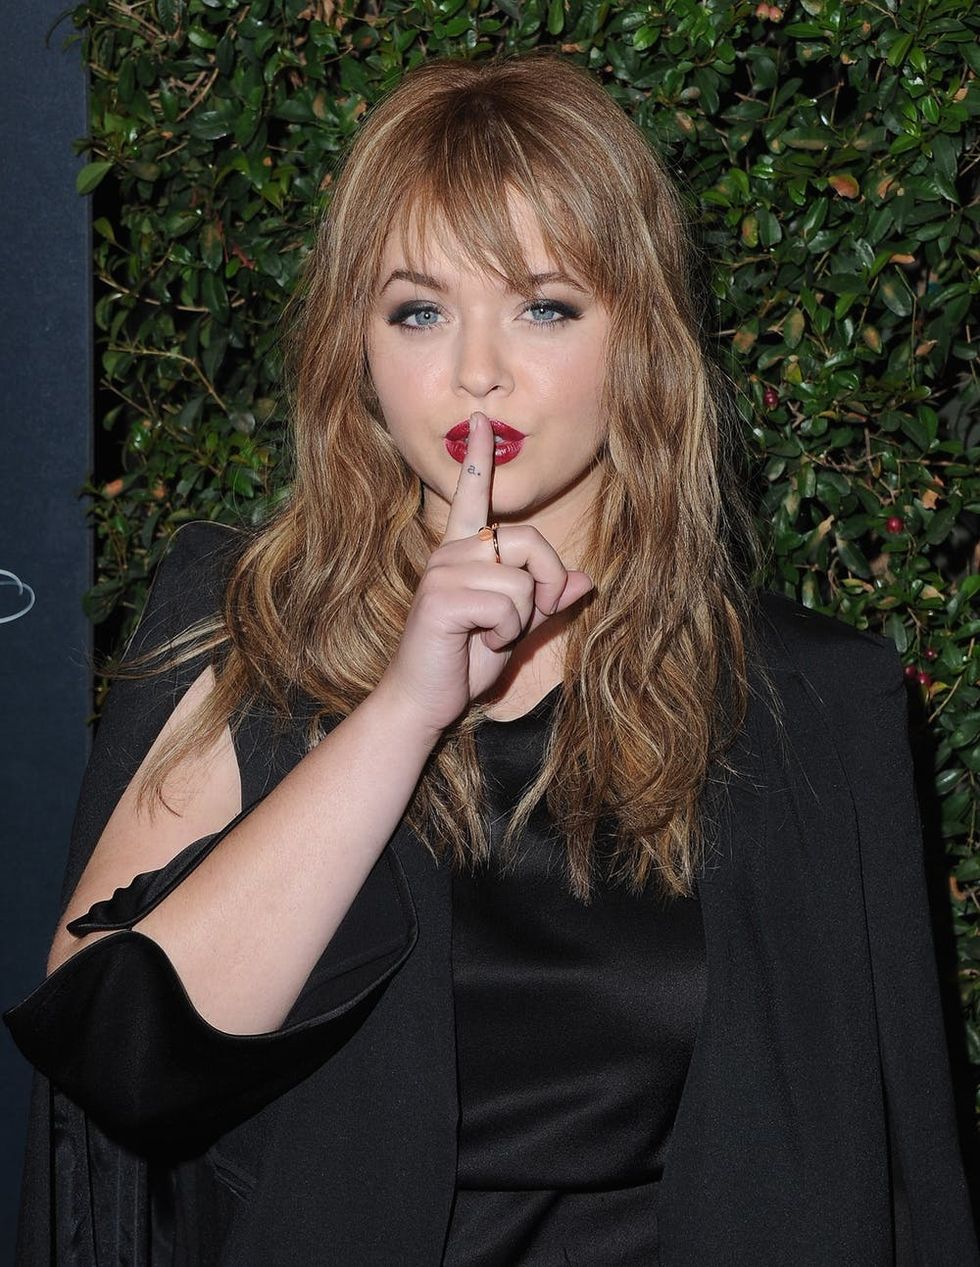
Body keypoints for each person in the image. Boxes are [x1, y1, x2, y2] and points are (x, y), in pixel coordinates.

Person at [5, 51, 977, 1267]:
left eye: (543, 305)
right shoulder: (246, 627)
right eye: (418, 310)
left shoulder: (809, 702)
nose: (476, 370)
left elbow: (889, 1181)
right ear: (355, 348)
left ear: (640, 334)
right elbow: (116, 1058)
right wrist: (401, 709)